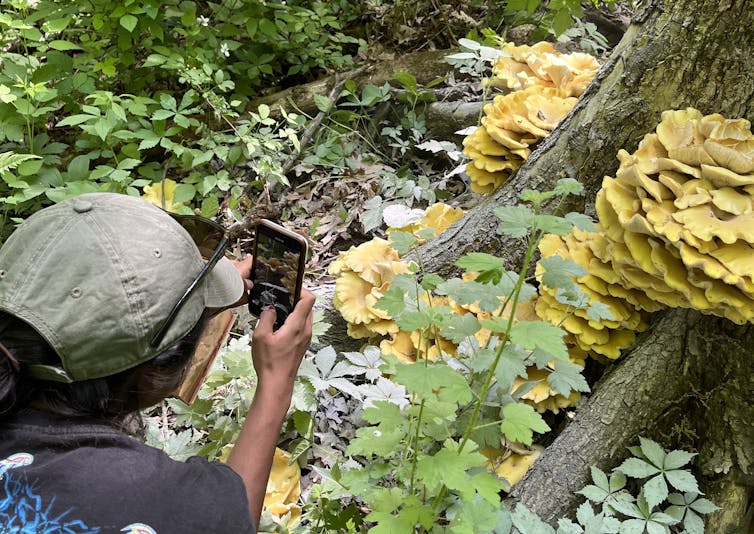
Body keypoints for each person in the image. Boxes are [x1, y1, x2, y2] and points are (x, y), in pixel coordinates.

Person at [0, 193, 315, 533]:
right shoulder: (151, 500)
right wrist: (275, 384)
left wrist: (193, 305)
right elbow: (225, 519)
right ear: (156, 373)